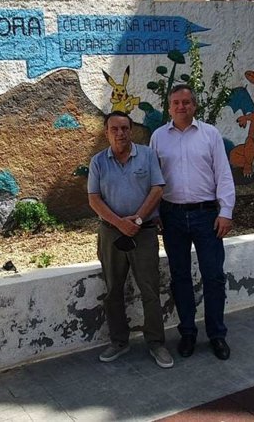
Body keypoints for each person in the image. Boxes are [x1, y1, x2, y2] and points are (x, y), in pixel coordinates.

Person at [150, 84, 236, 361]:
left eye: (186, 102)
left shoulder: (210, 134)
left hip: (207, 216)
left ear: (194, 105)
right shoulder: (158, 137)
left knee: (213, 276)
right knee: (180, 277)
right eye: (176, 102)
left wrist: (226, 212)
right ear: (169, 106)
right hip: (172, 216)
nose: (181, 107)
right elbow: (153, 179)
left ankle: (217, 335)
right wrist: (155, 214)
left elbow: (223, 174)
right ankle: (187, 332)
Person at [88, 111, 173, 369]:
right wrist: (120, 223)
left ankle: (156, 343)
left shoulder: (147, 155)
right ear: (107, 133)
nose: (120, 133)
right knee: (114, 289)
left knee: (149, 288)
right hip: (111, 232)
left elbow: (158, 188)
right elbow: (94, 199)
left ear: (131, 130)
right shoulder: (98, 162)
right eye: (114, 129)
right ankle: (119, 341)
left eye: (125, 128)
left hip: (143, 231)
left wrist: (136, 220)